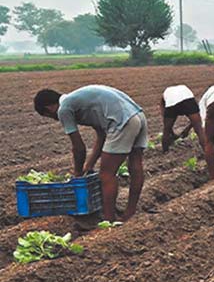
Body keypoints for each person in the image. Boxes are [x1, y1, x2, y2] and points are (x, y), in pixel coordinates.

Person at [34, 85, 146, 222]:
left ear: (48, 109)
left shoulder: (64, 109)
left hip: (122, 121)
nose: (54, 118)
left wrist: (77, 173)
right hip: (138, 116)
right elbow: (101, 135)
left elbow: (78, 148)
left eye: (49, 116)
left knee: (106, 174)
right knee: (135, 164)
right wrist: (89, 165)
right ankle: (130, 212)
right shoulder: (78, 101)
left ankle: (109, 219)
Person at [160, 85, 209, 154]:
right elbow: (197, 119)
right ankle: (208, 152)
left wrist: (171, 131)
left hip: (172, 103)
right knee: (199, 129)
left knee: (166, 131)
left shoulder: (166, 94)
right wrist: (187, 129)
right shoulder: (183, 88)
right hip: (188, 100)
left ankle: (165, 152)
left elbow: (165, 117)